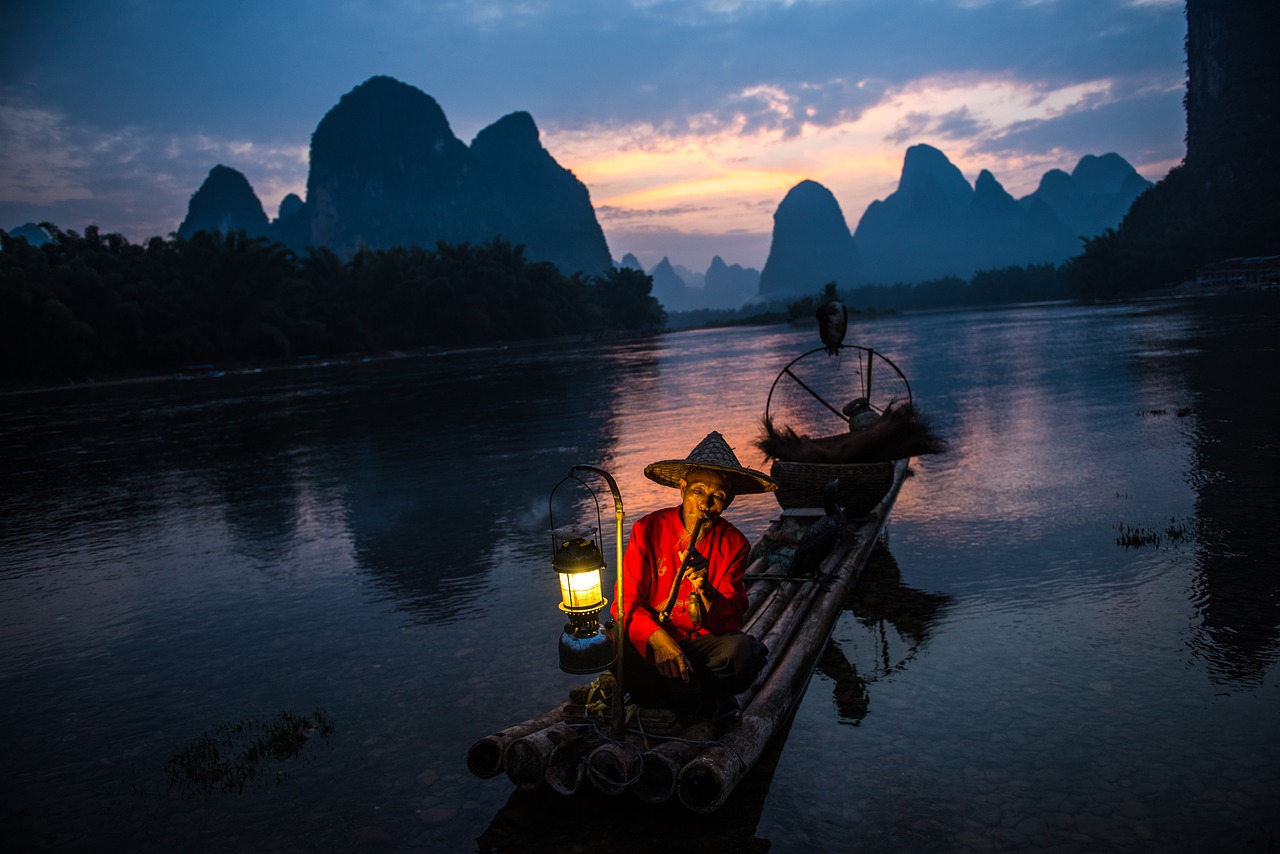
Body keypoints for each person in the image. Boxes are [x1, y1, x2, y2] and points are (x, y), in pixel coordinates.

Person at [614, 431, 776, 726]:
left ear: (728, 502)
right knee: (607, 642)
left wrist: (705, 589)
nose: (705, 504)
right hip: (655, 642)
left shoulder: (734, 543)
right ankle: (695, 700)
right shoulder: (648, 529)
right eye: (698, 491)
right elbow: (626, 601)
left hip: (700, 648)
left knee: (743, 654)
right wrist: (658, 639)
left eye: (717, 497)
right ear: (682, 487)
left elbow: (732, 618)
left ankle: (684, 698)